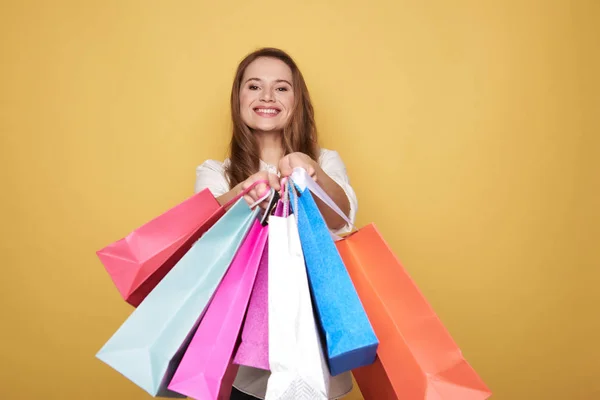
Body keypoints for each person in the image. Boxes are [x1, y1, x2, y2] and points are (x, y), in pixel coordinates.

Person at [194, 47, 357, 400]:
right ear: (238, 97)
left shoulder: (324, 161)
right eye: (254, 86)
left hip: (313, 340)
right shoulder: (215, 172)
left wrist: (309, 173)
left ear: (297, 100)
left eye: (281, 88)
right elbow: (200, 230)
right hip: (244, 354)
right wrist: (244, 191)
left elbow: (343, 218)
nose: (267, 96)